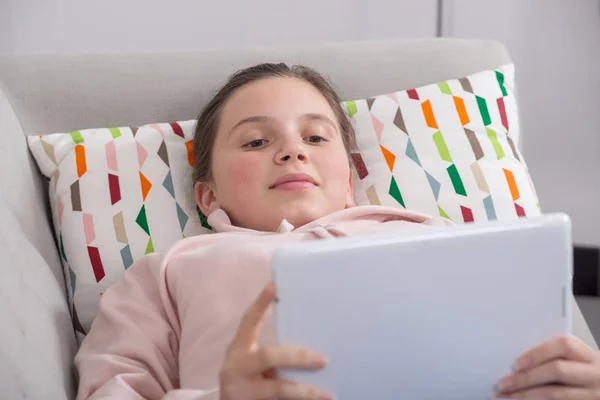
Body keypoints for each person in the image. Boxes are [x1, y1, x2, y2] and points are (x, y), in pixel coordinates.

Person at [75, 63, 600, 400]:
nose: (292, 150)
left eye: (315, 136)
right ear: (208, 195)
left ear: (348, 180)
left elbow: (533, 347)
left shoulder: (434, 236)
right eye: (256, 142)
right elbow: (111, 390)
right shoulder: (170, 270)